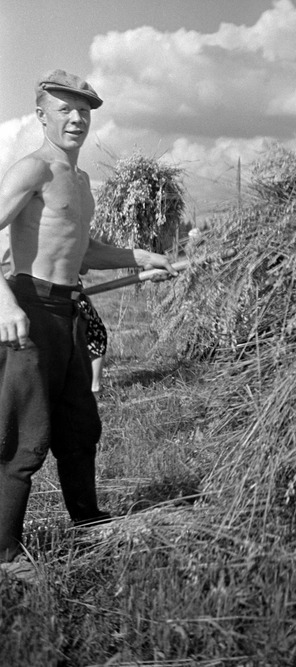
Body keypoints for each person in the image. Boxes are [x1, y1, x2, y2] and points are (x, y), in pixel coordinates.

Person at [0, 69, 178, 579]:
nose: (76, 118)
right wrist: (5, 306)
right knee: (22, 436)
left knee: (80, 427)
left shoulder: (79, 181)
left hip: (69, 316)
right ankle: (5, 554)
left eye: (84, 110)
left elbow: (82, 248)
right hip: (28, 313)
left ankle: (87, 522)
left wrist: (140, 256)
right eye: (64, 109)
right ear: (42, 115)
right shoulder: (31, 170)